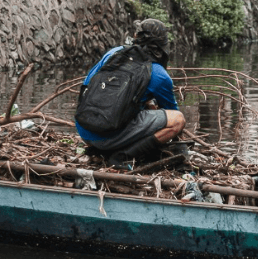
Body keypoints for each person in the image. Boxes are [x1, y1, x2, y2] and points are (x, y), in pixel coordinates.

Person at [76, 18, 186, 167]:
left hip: (84, 130)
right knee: (178, 119)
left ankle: (105, 145)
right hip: (106, 138)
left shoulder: (114, 54)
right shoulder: (159, 74)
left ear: (136, 37)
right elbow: (172, 114)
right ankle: (122, 156)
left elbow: (86, 87)